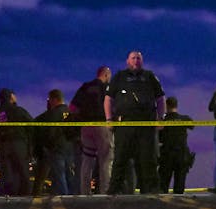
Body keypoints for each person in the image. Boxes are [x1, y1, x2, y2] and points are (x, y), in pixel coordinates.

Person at [106, 51, 165, 195]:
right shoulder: (119, 77)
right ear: (127, 61)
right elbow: (108, 99)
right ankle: (114, 190)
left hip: (146, 126)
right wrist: (108, 119)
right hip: (124, 125)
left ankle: (150, 190)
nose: (136, 60)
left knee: (148, 159)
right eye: (133, 58)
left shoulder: (150, 77)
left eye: (138, 58)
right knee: (120, 158)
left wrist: (160, 118)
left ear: (142, 61)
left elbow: (160, 98)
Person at [71, 66, 113, 195]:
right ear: (106, 75)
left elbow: (72, 107)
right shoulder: (107, 88)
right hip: (102, 126)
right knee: (106, 159)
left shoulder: (85, 86)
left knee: (87, 160)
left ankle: (85, 192)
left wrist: (80, 118)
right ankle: (105, 192)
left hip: (86, 127)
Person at [0, 88, 34, 196]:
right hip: (19, 144)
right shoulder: (19, 110)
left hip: (4, 145)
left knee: (6, 172)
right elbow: (32, 126)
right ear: (11, 97)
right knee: (22, 170)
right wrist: (30, 145)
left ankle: (5, 195)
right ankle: (25, 195)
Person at [34, 89, 78, 196]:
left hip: (57, 148)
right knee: (69, 174)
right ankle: (72, 197)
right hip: (69, 147)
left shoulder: (53, 113)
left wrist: (48, 146)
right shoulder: (70, 112)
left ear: (54, 99)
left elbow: (50, 132)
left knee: (59, 175)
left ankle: (64, 197)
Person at [158, 97, 194, 194]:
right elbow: (192, 125)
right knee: (179, 187)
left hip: (167, 154)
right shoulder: (184, 119)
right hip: (181, 155)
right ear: (176, 106)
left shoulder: (162, 121)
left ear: (167, 106)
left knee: (163, 185)